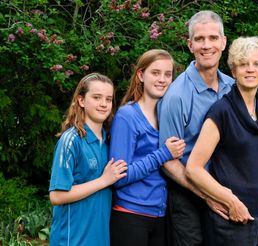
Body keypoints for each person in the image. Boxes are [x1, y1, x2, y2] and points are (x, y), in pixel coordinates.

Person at [185, 36, 258, 246]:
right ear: (233, 71)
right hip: (231, 218)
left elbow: (257, 158)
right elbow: (193, 168)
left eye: (256, 64)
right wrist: (230, 200)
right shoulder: (221, 111)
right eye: (243, 64)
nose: (250, 69)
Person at [157, 10, 234, 246]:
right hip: (187, 195)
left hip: (225, 187)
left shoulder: (233, 88)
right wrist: (206, 195)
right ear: (190, 45)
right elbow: (168, 161)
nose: (206, 45)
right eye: (199, 39)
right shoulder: (177, 96)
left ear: (223, 42)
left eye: (212, 38)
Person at [109, 49, 186, 246]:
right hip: (130, 215)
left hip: (160, 215)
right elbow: (120, 177)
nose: (162, 79)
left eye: (167, 74)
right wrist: (163, 154)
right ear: (141, 75)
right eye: (155, 73)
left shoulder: (167, 118)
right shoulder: (127, 116)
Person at [49, 72, 127, 246]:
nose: (104, 104)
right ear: (81, 100)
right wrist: (104, 180)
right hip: (72, 240)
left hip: (100, 239)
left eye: (108, 99)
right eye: (97, 97)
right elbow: (56, 196)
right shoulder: (71, 140)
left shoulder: (110, 141)